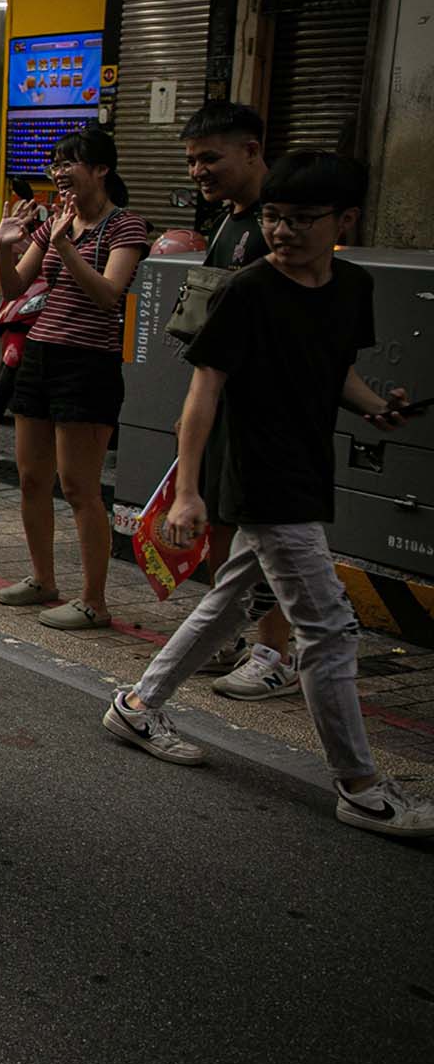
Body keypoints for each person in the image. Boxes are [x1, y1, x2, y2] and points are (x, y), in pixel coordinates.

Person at [103, 152, 433, 839]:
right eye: (276, 217)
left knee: (229, 604)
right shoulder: (247, 291)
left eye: (303, 220)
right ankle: (361, 787)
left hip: (309, 470)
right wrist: (188, 490)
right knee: (329, 628)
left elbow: (334, 370)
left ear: (345, 220)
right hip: (259, 476)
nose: (284, 231)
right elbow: (202, 394)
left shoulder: (353, 289)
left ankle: (138, 704)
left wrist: (377, 407)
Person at [0, 125, 148, 630]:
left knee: (80, 487)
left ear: (101, 169)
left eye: (70, 163)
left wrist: (67, 247)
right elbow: (14, 286)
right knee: (32, 478)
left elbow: (108, 295)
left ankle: (94, 600)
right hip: (41, 354)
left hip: (89, 363)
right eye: (56, 164)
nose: (59, 173)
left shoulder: (125, 227)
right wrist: (2, 247)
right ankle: (43, 580)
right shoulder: (56, 221)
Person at [179, 101, 297, 696]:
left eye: (210, 158)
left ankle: (276, 652)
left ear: (252, 150)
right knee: (221, 522)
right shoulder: (229, 220)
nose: (199, 171)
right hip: (224, 396)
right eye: (193, 161)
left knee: (268, 532)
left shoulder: (283, 223)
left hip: (270, 409)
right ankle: (226, 632)